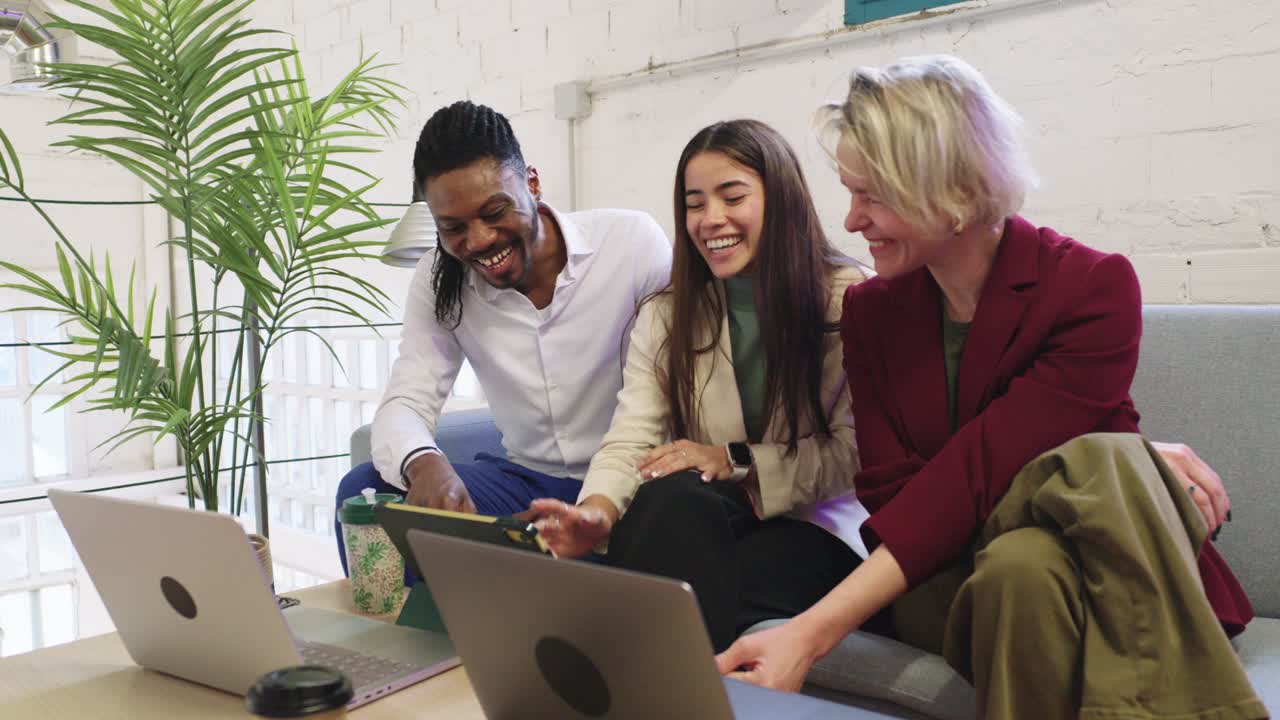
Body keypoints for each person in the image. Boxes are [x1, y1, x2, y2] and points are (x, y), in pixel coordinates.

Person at [714, 56, 1265, 720]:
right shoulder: (870, 313)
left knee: (1024, 569)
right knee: (1104, 462)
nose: (852, 220)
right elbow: (894, 494)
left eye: (872, 194)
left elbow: (974, 474)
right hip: (939, 579)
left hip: (1086, 568)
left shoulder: (1093, 289)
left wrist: (810, 630)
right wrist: (1127, 465)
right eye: (850, 191)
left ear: (949, 189)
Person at [530, 119, 873, 652]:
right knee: (667, 497)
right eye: (694, 204)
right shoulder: (669, 312)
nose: (711, 219)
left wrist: (734, 459)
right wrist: (595, 513)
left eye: (732, 197)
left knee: (679, 582)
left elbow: (855, 455)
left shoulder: (847, 298)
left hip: (818, 525)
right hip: (721, 519)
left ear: (780, 199)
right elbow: (633, 437)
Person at [334, 101, 672, 572]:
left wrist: (604, 499)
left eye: (494, 212)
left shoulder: (630, 244)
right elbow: (405, 400)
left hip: (633, 485)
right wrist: (424, 463)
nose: (478, 241)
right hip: (524, 486)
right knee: (364, 492)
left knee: (677, 512)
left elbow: (661, 394)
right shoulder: (439, 278)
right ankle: (431, 642)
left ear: (531, 183)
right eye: (452, 227)